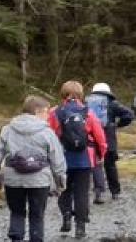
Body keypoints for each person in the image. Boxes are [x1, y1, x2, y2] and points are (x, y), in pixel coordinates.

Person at [0, 95, 67, 242]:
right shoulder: (47, 132)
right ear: (37, 111)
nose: (48, 116)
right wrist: (60, 183)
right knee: (37, 215)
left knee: (17, 212)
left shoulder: (8, 129)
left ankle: (16, 238)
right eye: (46, 112)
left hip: (13, 179)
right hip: (40, 180)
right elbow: (57, 160)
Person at [45, 81, 106, 238]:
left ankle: (66, 216)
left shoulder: (54, 113)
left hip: (61, 159)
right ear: (81, 94)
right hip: (84, 160)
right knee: (82, 193)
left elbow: (48, 137)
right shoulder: (88, 113)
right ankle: (80, 227)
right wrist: (101, 155)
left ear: (62, 94)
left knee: (64, 190)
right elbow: (100, 137)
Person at [82, 83, 133, 204]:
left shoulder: (86, 102)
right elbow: (129, 115)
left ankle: (98, 193)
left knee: (94, 166)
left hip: (90, 139)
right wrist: (117, 125)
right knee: (110, 166)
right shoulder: (111, 103)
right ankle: (115, 192)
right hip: (108, 137)